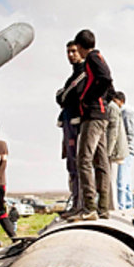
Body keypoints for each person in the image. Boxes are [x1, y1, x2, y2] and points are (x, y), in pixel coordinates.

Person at [70, 29, 113, 221]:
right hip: (101, 115)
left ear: (80, 46)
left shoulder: (92, 58)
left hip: (93, 116)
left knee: (84, 160)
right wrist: (102, 99)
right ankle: (103, 208)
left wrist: (89, 98)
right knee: (101, 162)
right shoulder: (98, 57)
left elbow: (106, 79)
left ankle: (90, 208)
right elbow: (110, 86)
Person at [55, 40, 86, 215]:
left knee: (79, 166)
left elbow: (69, 96)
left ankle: (80, 204)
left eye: (74, 51)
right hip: (68, 125)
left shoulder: (82, 75)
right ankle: (76, 202)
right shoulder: (72, 77)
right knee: (71, 167)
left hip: (76, 126)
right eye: (68, 52)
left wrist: (62, 95)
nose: (71, 55)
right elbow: (62, 97)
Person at [106, 90, 128, 209]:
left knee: (110, 180)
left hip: (113, 151)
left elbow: (112, 132)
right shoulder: (114, 107)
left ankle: (113, 207)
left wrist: (108, 151)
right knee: (111, 180)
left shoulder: (112, 107)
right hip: (116, 149)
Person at [113, 91, 134, 210]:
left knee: (121, 181)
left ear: (121, 101)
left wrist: (125, 146)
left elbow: (129, 131)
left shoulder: (125, 111)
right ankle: (127, 205)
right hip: (126, 149)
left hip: (125, 149)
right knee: (126, 181)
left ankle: (122, 206)